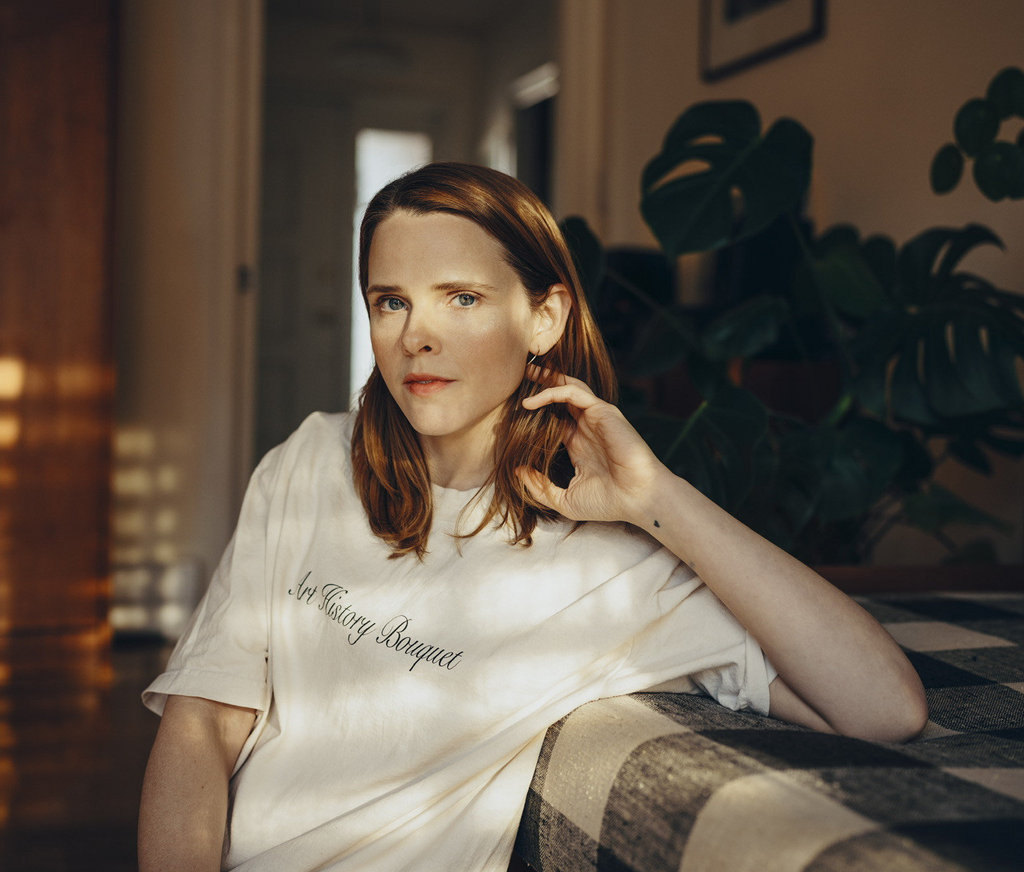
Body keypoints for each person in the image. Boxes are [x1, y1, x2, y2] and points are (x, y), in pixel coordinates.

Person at [138, 162, 927, 872]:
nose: (416, 335)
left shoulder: (619, 566)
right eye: (391, 301)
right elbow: (204, 719)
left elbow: (884, 707)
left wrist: (658, 497)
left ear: (544, 317)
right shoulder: (308, 460)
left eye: (463, 298)